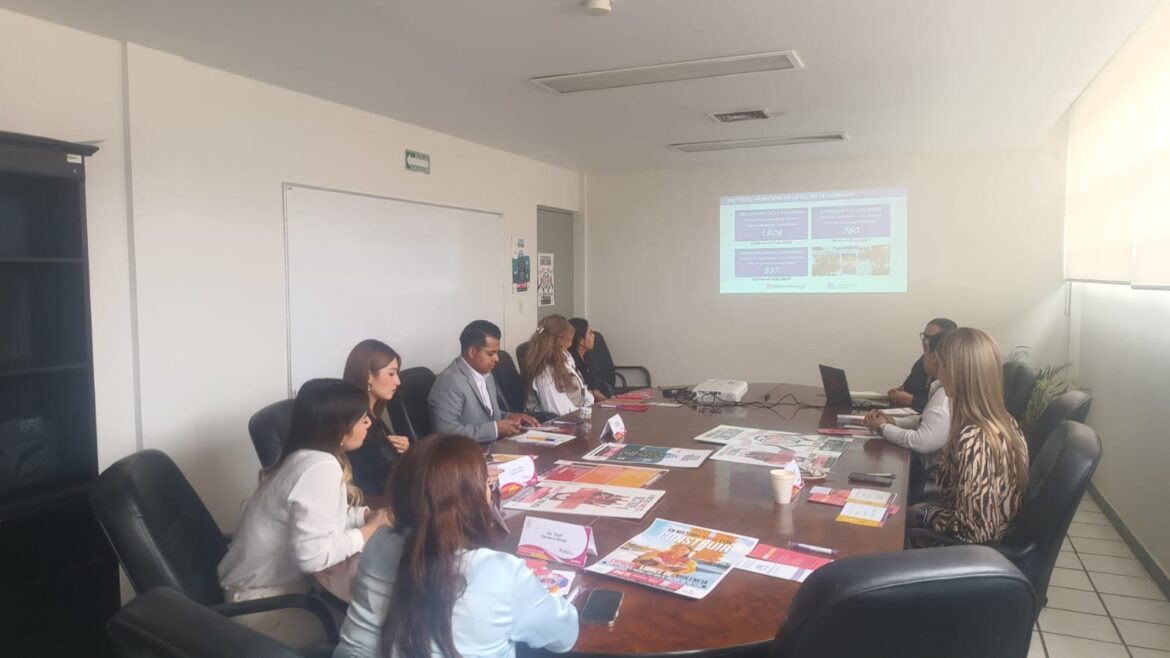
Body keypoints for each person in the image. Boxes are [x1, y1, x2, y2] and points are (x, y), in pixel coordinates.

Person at [333, 434, 579, 658]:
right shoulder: (501, 573)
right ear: (474, 498)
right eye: (486, 484)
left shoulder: (378, 544)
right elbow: (565, 636)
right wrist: (541, 594)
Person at [219, 378, 393, 648]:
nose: (369, 423)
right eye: (362, 419)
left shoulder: (305, 456)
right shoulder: (320, 466)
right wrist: (368, 531)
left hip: (274, 594)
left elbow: (324, 518)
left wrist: (365, 516)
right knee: (378, 630)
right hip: (264, 609)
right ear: (340, 427)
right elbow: (312, 557)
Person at [907, 328, 1030, 546]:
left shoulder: (976, 439)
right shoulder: (1004, 421)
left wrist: (924, 513)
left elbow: (976, 532)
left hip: (963, 554)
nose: (938, 374)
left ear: (956, 373)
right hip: (984, 547)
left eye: (941, 365)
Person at [866, 330, 951, 500]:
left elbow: (921, 442)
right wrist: (893, 421)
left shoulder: (944, 398)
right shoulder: (939, 388)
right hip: (926, 470)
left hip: (931, 479)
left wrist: (883, 427)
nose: (923, 357)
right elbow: (925, 420)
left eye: (926, 352)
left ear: (935, 357)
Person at [429, 320, 538, 442]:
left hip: (493, 446)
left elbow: (488, 415)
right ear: (472, 352)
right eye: (491, 354)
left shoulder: (486, 374)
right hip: (468, 451)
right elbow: (446, 432)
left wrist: (509, 417)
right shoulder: (449, 382)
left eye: (497, 353)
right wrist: (495, 429)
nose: (496, 359)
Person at [343, 339, 411, 498]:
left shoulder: (373, 414)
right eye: (391, 374)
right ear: (368, 376)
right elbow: (379, 478)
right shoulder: (358, 425)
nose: (398, 381)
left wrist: (406, 452)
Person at [522, 315, 595, 415]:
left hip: (578, 415)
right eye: (568, 339)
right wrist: (585, 413)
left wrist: (590, 408)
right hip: (561, 421)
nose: (570, 345)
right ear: (560, 341)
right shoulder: (545, 373)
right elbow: (559, 412)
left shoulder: (566, 357)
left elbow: (584, 394)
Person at [888, 317, 958, 411]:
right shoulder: (922, 361)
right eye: (924, 336)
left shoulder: (954, 370)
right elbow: (907, 388)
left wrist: (912, 400)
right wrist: (896, 394)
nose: (925, 341)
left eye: (931, 338)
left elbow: (944, 407)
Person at [568, 317, 609, 401]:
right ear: (581, 341)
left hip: (591, 400)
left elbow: (593, 383)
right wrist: (594, 393)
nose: (594, 336)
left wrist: (596, 391)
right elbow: (576, 391)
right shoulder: (570, 360)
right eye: (590, 333)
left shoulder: (587, 355)